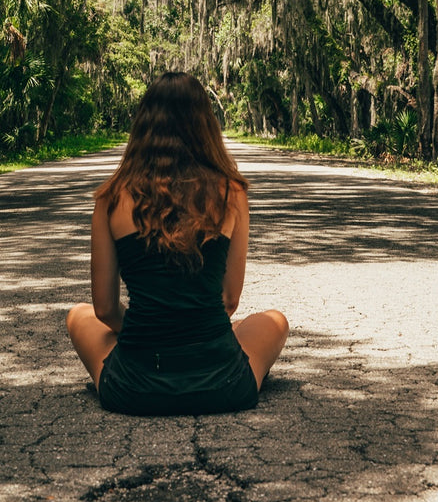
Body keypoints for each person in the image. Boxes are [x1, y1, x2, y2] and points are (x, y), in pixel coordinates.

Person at [66, 72, 289, 415]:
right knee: (275, 320)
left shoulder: (110, 198)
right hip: (224, 384)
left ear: (142, 126)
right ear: (205, 125)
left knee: (77, 315)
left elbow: (105, 311)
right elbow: (229, 301)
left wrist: (158, 331)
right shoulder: (233, 192)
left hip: (134, 388)